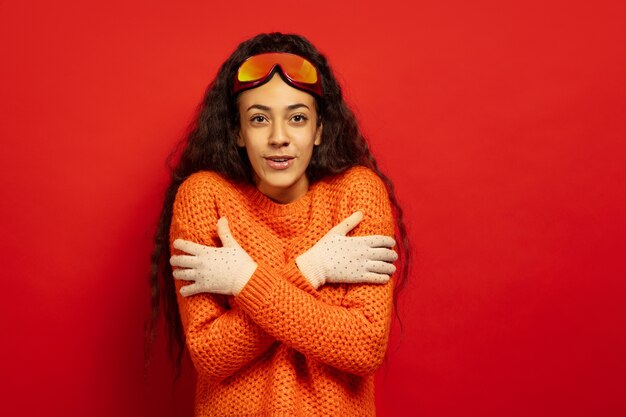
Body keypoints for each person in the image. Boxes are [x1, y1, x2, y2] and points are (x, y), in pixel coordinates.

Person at [147, 32, 410, 416]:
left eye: (298, 118)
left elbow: (364, 346)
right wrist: (313, 268)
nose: (279, 138)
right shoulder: (205, 197)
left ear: (320, 129)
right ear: (237, 131)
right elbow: (212, 354)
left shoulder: (356, 193)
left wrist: (243, 280)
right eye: (258, 119)